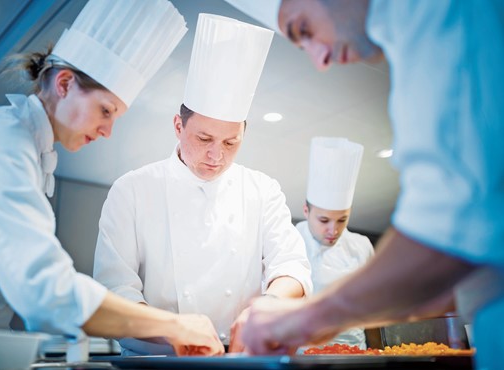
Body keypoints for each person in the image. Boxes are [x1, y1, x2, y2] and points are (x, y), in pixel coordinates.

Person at [224, 1, 504, 368]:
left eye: (303, 29)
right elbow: (434, 285)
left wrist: (306, 317)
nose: (319, 60)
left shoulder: (439, 11)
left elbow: (447, 236)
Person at [0, 0, 225, 356]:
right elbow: (46, 292)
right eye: (106, 111)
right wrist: (174, 324)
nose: (109, 131)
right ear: (64, 84)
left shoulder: (31, 151)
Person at [93, 13, 312, 355]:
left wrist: (267, 305)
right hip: (158, 358)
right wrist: (173, 331)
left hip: (243, 356)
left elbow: (292, 267)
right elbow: (115, 290)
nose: (216, 156)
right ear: (178, 127)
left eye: (230, 143)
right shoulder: (132, 190)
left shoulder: (263, 189)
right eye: (204, 138)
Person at [296, 137, 374, 350]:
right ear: (306, 211)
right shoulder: (289, 240)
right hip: (303, 353)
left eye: (342, 220)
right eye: (324, 220)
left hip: (354, 351)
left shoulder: (361, 246)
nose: (334, 230)